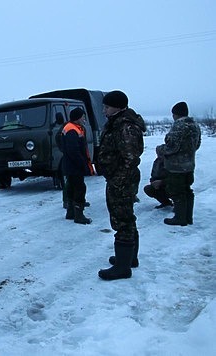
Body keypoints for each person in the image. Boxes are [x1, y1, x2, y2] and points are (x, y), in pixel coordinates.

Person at [97, 90, 146, 280]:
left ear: (118, 107)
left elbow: (131, 157)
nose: (104, 111)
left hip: (122, 180)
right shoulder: (117, 123)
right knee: (127, 217)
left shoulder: (125, 127)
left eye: (106, 107)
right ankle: (128, 259)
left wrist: (118, 181)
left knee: (122, 220)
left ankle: (123, 268)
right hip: (119, 179)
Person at [159, 101, 201, 226]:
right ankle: (188, 217)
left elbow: (171, 147)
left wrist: (160, 149)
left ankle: (180, 218)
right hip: (189, 165)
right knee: (187, 190)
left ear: (175, 114)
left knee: (177, 191)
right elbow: (197, 144)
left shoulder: (179, 126)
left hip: (176, 167)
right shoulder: (195, 125)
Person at [61, 107, 95, 224]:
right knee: (79, 189)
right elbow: (74, 150)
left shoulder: (71, 127)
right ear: (78, 118)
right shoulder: (72, 130)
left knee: (71, 187)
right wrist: (83, 164)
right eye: (83, 117)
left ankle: (70, 213)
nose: (84, 119)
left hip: (70, 164)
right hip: (74, 166)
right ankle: (79, 215)